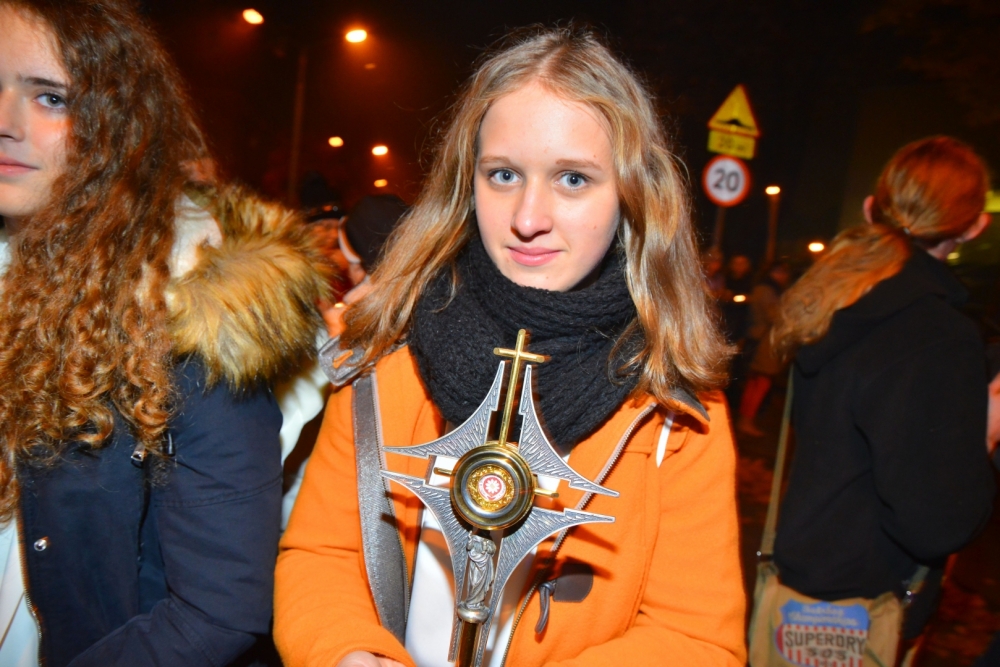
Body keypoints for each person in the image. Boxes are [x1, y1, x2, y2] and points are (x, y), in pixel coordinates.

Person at [275, 27, 746, 667]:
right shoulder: (389, 347)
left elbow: (696, 639)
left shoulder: (674, 404)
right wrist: (348, 652)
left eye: (573, 179)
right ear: (466, 183)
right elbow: (322, 553)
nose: (528, 218)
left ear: (632, 193)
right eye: (503, 174)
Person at [0, 1, 328, 665]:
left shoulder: (195, 314)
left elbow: (215, 612)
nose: (6, 122)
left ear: (120, 127)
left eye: (51, 97)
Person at [769, 137, 996, 646]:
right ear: (974, 227)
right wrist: (985, 434)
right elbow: (937, 524)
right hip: (866, 607)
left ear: (873, 208)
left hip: (803, 583)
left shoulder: (831, 304)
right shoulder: (938, 336)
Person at [736, 261, 791, 436]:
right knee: (760, 383)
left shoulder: (766, 289)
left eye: (784, 272)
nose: (782, 276)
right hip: (763, 342)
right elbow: (773, 315)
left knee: (756, 383)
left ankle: (745, 419)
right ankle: (746, 420)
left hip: (761, 339)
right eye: (778, 272)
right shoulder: (767, 290)